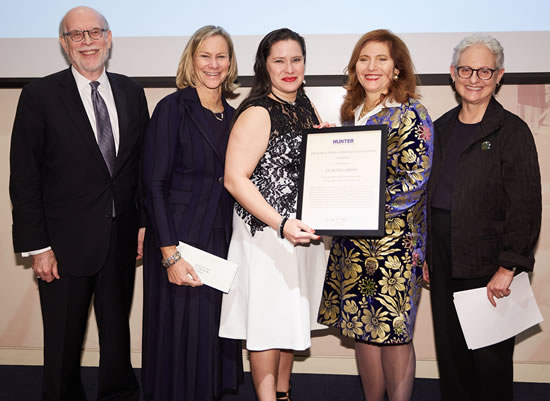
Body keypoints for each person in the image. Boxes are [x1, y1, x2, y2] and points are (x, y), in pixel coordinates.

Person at [9, 6, 148, 400]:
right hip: (62, 248)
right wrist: (38, 247)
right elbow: (24, 178)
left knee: (117, 341)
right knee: (63, 346)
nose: (87, 42)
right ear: (63, 42)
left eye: (94, 33)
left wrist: (141, 224)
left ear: (108, 37)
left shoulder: (131, 91)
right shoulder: (39, 95)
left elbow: (139, 167)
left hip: (120, 240)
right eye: (76, 35)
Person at [423, 34, 541, 401]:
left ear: (499, 75)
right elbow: (426, 197)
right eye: (466, 69)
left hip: (489, 267)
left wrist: (509, 267)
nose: (475, 78)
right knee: (452, 360)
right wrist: (425, 252)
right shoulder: (439, 129)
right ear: (453, 74)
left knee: (488, 366)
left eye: (485, 71)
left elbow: (526, 205)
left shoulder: (512, 131)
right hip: (442, 259)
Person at [318, 29, 433, 401]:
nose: (372, 67)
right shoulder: (354, 112)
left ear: (397, 69)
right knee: (361, 328)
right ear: (354, 67)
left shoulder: (412, 112)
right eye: (364, 59)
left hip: (394, 246)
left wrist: (364, 208)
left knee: (394, 331)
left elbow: (415, 181)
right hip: (354, 243)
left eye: (381, 59)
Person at [218, 28, 327, 401]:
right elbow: (235, 179)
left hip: (297, 235)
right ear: (265, 66)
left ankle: (283, 392)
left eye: (296, 59)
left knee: (286, 320)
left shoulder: (305, 105)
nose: (289, 67)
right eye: (279, 60)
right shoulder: (258, 111)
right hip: (267, 235)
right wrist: (280, 223)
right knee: (266, 322)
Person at [141, 25, 242, 401]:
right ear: (191, 60)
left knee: (209, 332)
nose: (213, 64)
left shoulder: (234, 116)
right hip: (179, 237)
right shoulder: (172, 108)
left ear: (231, 63)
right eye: (205, 56)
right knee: (178, 335)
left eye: (221, 56)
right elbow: (154, 184)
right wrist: (169, 253)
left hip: (219, 236)